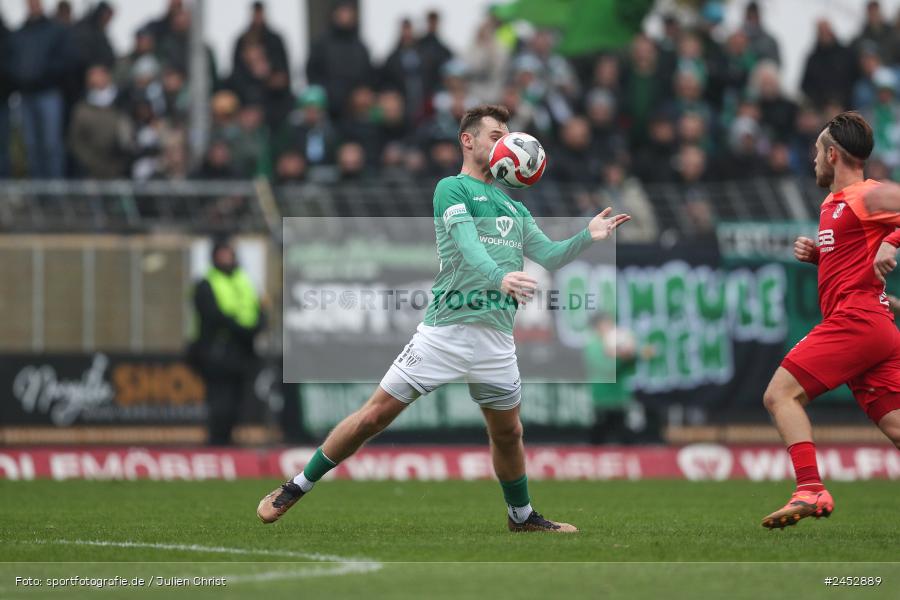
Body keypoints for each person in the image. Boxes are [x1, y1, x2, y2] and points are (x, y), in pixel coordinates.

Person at [257, 104, 630, 531]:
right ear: (467, 141)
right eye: (495, 134)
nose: (504, 141)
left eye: (507, 134)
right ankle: (296, 486)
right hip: (446, 331)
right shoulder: (451, 189)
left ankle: (521, 516)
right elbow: (467, 244)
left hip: (496, 339)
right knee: (374, 417)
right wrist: (498, 277)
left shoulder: (515, 208)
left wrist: (587, 236)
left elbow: (548, 255)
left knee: (509, 433)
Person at [761, 112, 900, 529]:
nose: (813, 159)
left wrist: (891, 243)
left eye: (818, 151)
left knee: (779, 396)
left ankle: (809, 488)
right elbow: (854, 254)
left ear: (833, 154)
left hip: (857, 320)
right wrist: (821, 255)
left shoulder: (867, 195)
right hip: (873, 326)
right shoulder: (833, 204)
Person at [189, 237, 267, 446]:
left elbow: (259, 309)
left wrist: (254, 328)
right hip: (217, 351)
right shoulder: (207, 282)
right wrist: (242, 328)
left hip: (243, 351)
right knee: (219, 401)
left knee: (238, 401)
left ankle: (228, 439)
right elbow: (212, 315)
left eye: (229, 254)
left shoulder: (245, 280)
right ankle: (217, 441)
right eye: (222, 254)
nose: (226, 258)